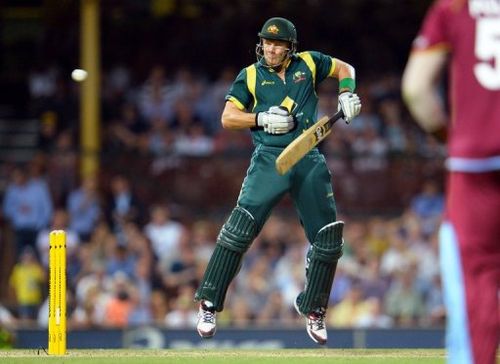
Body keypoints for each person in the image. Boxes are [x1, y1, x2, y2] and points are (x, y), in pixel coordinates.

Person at [194, 17, 361, 345]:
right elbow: (227, 117)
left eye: (277, 44)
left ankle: (314, 309)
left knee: (328, 239)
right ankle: (209, 303)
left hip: (308, 156)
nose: (270, 49)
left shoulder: (309, 63)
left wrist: (347, 95)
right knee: (239, 230)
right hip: (270, 159)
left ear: (290, 47)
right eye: (267, 43)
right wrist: (259, 118)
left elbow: (346, 69)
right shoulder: (251, 75)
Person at [402, 1, 500, 363]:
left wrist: (451, 135)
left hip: (477, 168)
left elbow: (416, 90)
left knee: (476, 285)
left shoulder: (454, 6)